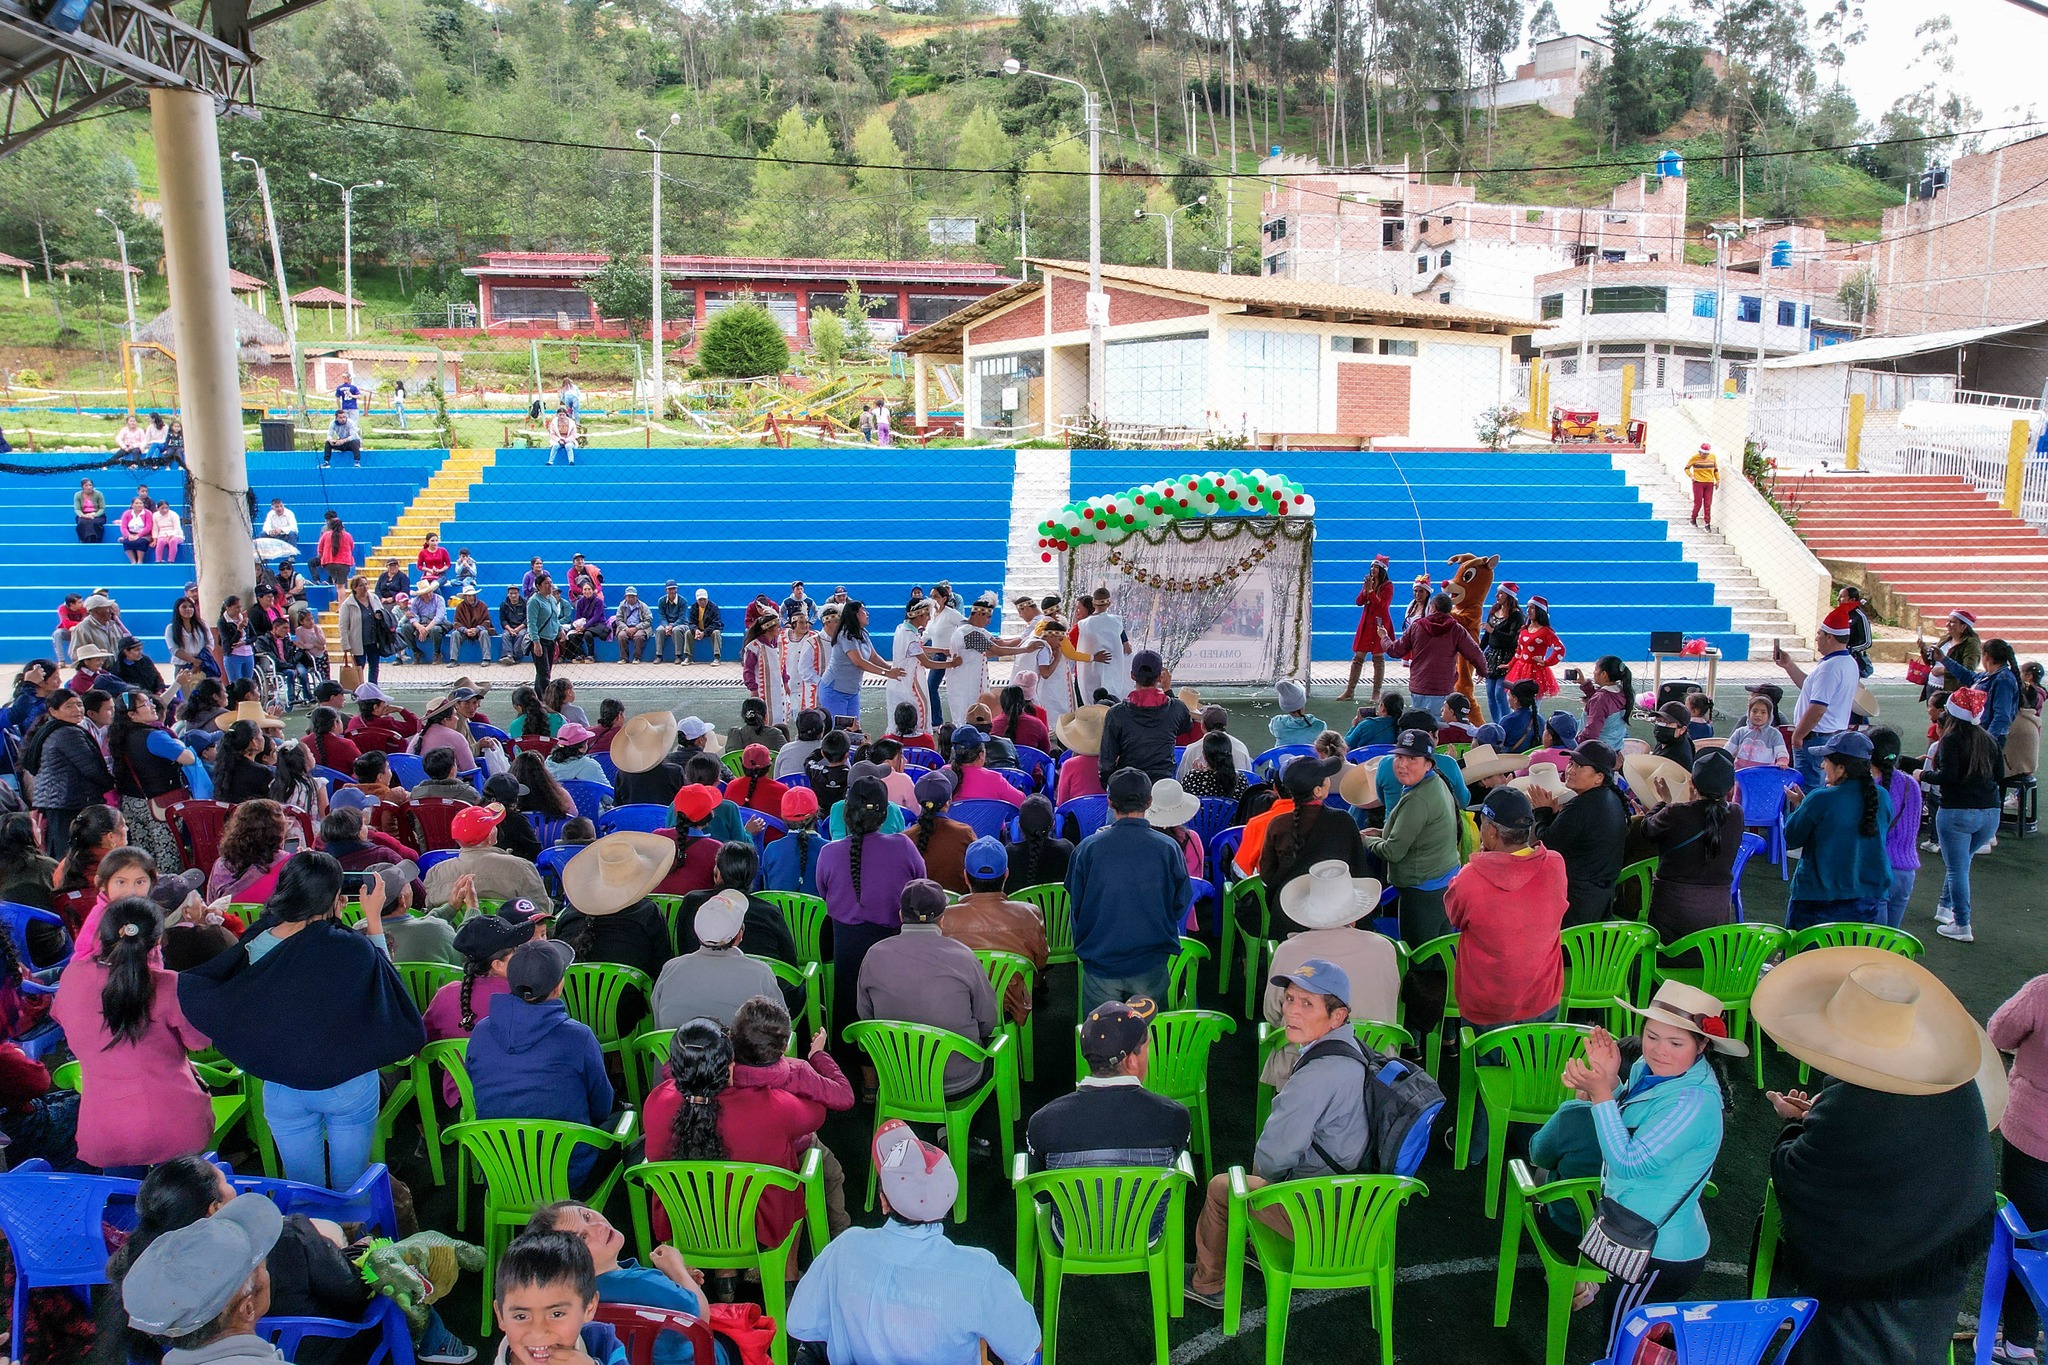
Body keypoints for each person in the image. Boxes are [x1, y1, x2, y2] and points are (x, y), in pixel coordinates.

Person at [1755, 946, 1999, 1365]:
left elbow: (1796, 1173)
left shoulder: (1850, 1106)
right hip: (1944, 1254)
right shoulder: (1954, 1085)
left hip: (1873, 1276)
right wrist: (1820, 1120)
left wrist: (1794, 1127)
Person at [177, 852, 424, 1189]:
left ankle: (314, 1238)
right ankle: (353, 1239)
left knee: (302, 1188)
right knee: (351, 1186)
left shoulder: (256, 940)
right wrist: (373, 920)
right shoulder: (350, 947)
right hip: (346, 1084)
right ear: (334, 896)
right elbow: (385, 992)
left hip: (281, 1087)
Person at [1528, 982, 1736, 1341]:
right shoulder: (1649, 1068)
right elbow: (1633, 1119)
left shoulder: (1693, 1102)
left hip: (1659, 1254)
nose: (1659, 1051)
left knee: (1621, 1344)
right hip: (1637, 1234)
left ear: (1702, 1045)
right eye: (1652, 1036)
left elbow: (1628, 1162)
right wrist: (1609, 1079)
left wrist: (1600, 1094)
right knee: (1629, 1340)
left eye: (1676, 1043)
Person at [1186, 959, 1369, 1308]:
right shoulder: (1354, 1049)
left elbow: (1274, 1157)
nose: (1291, 1012)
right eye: (1289, 999)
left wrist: (1259, 1195)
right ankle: (1258, 1244)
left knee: (1224, 1188)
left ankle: (1208, 1283)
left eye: (1306, 1004)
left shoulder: (1316, 1076)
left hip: (1319, 1214)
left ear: (1338, 1016)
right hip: (1358, 1202)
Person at [788, 1118, 1040, 1364]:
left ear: (884, 1203)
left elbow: (801, 1324)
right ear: (947, 1204)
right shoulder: (979, 1273)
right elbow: (1027, 1350)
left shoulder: (844, 1247)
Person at [51, 895, 214, 1169]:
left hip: (105, 1131)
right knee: (185, 1206)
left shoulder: (72, 976)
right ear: (158, 941)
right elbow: (199, 1041)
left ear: (101, 934)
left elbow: (62, 1018)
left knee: (120, 1203)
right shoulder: (169, 985)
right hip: (176, 1126)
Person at [468, 937, 615, 1190]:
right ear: (559, 987)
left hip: (498, 1171)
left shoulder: (480, 1032)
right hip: (568, 1174)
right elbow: (602, 1107)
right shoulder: (578, 1037)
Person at [1261, 865, 1401, 1087]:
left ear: (1307, 914)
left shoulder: (1288, 950)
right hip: (1376, 1064)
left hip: (1305, 1066)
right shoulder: (1385, 948)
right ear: (1355, 915)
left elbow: (1271, 1013)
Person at [523, 1201, 712, 1365]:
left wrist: (679, 1281)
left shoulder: (567, 1300)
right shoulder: (642, 1283)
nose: (599, 1226)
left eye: (587, 1216)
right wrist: (676, 1268)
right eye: (583, 1237)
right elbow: (701, 1318)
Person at [857, 878, 998, 1095]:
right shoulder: (963, 956)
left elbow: (866, 1018)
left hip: (896, 1077)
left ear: (901, 916)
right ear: (943, 919)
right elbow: (988, 1021)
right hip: (957, 1081)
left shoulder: (873, 955)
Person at [1446, 786, 1566, 1034]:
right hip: (1542, 997)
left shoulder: (1469, 878)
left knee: (1487, 1069)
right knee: (1535, 1067)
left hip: (1488, 1005)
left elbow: (1454, 916)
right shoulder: (1555, 864)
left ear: (1490, 832)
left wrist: (1480, 862)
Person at [1068, 768, 1189, 1013]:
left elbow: (1077, 904)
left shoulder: (1087, 849)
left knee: (1100, 1041)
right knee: (1149, 1039)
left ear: (1110, 802)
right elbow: (1180, 902)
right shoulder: (1168, 849)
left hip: (1100, 963)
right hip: (1150, 963)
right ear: (1150, 802)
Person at [817, 778, 923, 1030]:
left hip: (847, 949)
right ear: (884, 814)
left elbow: (824, 892)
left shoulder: (829, 853)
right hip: (894, 945)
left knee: (849, 1013)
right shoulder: (904, 847)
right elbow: (921, 885)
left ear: (846, 812)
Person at [1990, 971, 2048, 1365]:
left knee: (2025, 1240)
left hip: (2033, 1135)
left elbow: (1998, 1032)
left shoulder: (2043, 990)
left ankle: (2019, 1343)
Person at [1781, 731, 1893, 931]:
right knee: (1849, 960)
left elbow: (1792, 837)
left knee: (1803, 960)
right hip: (1866, 901)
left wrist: (1801, 807)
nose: (1823, 766)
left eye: (1826, 760)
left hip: (1816, 900)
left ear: (1841, 768)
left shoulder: (1820, 798)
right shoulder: (1882, 796)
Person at [1923, 687, 2004, 943]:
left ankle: (1962, 924)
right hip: (1990, 814)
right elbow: (2000, 776)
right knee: (1961, 863)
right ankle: (1944, 909)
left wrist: (1922, 775)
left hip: (1957, 812)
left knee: (1958, 869)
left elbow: (1948, 777)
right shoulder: (1988, 738)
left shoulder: (1951, 740)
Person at [1639, 750, 1747, 939]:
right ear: (1731, 789)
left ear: (1692, 784)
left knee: (1665, 957)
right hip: (1716, 915)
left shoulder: (1675, 813)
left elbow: (1647, 829)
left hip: (1671, 912)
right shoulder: (1737, 814)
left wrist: (1663, 802)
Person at [940, 838, 1049, 1023]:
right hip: (1010, 1007)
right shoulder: (1030, 914)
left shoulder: (944, 919)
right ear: (1006, 875)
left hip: (962, 1006)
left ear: (966, 877)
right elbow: (1040, 962)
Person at [1256, 756, 1368, 936]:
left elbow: (1267, 873)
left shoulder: (1277, 824)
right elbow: (1359, 870)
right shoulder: (1343, 821)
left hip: (1287, 915)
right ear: (1318, 790)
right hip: (1337, 915)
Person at [1527, 740, 1630, 927]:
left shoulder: (1581, 807)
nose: (1571, 770)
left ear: (1599, 777)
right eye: (1571, 763)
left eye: (1580, 766)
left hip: (1577, 905)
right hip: (1601, 898)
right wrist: (1554, 815)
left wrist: (1542, 811)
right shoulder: (1611, 798)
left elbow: (1547, 844)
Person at [491, 1232, 631, 1365]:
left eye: (556, 1314)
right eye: (521, 1316)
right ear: (501, 1315)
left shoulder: (603, 1342)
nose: (538, 1332)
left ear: (589, 1307)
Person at [554, 832, 676, 983]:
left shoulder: (570, 914)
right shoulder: (648, 913)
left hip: (570, 1001)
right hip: (629, 1001)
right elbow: (661, 967)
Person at [652, 891, 781, 1030]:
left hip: (672, 1051)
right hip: (737, 1052)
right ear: (739, 935)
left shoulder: (670, 969)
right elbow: (779, 1026)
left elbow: (658, 1022)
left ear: (698, 934)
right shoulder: (761, 974)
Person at [1776, 603, 1863, 790]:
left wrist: (1798, 735)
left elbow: (1818, 708)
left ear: (1829, 637)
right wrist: (1789, 666)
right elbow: (1813, 689)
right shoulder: (1848, 662)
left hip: (1815, 738)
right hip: (1829, 735)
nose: (1816, 639)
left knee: (1807, 790)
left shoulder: (1829, 668)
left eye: (1819, 634)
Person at [425, 803, 555, 911]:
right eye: (493, 826)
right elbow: (543, 911)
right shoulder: (520, 867)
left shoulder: (435, 873)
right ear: (490, 837)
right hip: (513, 940)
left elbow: (432, 915)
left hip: (456, 939)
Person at [30, 689, 114, 856]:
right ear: (53, 711)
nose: (77, 710)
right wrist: (111, 783)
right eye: (69, 706)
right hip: (67, 802)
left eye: (79, 704)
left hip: (59, 801)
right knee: (69, 854)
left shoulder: (57, 729)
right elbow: (90, 767)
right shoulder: (68, 733)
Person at [1387, 592, 1488, 717]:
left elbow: (1395, 650)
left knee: (1419, 723)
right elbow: (1475, 653)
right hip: (1443, 686)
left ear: (1432, 607)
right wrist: (1482, 670)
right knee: (1439, 724)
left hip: (1420, 684)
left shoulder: (1416, 627)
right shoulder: (1456, 629)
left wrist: (1384, 638)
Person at [1868, 727, 1925, 933]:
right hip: (1906, 873)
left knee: (1874, 944)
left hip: (1880, 871)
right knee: (1891, 942)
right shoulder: (1911, 784)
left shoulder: (1871, 789)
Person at [1342, 555, 1397, 702]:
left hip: (1379, 626)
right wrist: (1366, 590)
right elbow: (1359, 602)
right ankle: (1349, 691)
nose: (1373, 569)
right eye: (1372, 566)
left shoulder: (1388, 586)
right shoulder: (1369, 583)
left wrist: (1371, 592)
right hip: (1366, 625)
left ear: (1382, 570)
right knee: (1358, 658)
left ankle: (1376, 693)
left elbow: (1382, 607)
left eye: (1376, 567)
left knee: (1378, 659)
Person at [1506, 595, 1563, 703]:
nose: (1528, 610)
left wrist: (1547, 662)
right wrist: (1510, 665)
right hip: (1520, 670)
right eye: (1528, 607)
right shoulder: (1524, 629)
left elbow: (1560, 649)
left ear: (1540, 611)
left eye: (1532, 608)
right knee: (1515, 702)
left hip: (1536, 673)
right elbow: (1519, 651)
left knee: (1533, 705)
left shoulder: (1546, 632)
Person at [1577, 655, 1636, 750]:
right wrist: (1585, 684)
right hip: (1615, 746)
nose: (1593, 672)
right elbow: (1604, 704)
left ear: (1604, 674)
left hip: (1599, 751)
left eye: (1596, 669)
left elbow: (1592, 732)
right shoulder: (1623, 691)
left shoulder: (1601, 699)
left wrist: (1575, 744)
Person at [1728, 692, 1791, 768]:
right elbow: (1727, 750)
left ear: (1769, 716)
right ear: (1748, 713)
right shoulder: (1740, 732)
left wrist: (1782, 762)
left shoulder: (1774, 734)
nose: (1758, 715)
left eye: (1763, 712)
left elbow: (1781, 752)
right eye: (1754, 711)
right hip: (1740, 773)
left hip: (1764, 774)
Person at [528, 573, 565, 691]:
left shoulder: (552, 599)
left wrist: (560, 629)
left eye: (550, 583)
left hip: (551, 639)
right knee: (544, 673)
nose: (550, 586)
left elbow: (555, 618)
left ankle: (538, 697)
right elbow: (531, 623)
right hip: (541, 640)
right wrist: (536, 642)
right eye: (546, 583)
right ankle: (545, 699)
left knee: (545, 670)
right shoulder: (534, 601)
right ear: (538, 586)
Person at [1267, 678, 1324, 748]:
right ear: (1303, 701)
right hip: (1309, 758)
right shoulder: (1320, 725)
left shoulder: (1276, 722)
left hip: (1281, 758)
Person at [315, 514, 356, 589]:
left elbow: (320, 549)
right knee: (341, 586)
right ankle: (341, 599)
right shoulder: (347, 535)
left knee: (336, 582)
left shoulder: (325, 535)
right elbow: (352, 547)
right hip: (344, 563)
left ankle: (337, 595)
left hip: (328, 563)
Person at [1684, 440, 1718, 528]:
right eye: (1703, 453)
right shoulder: (1695, 457)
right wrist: (1691, 476)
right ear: (1699, 452)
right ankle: (1693, 518)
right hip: (1698, 482)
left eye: (1706, 454)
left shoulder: (1713, 457)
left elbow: (1715, 469)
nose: (1704, 455)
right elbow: (1686, 468)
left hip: (1709, 482)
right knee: (1698, 502)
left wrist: (1717, 480)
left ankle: (1707, 523)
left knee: (1708, 504)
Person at [688, 588, 724, 665]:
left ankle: (717, 657)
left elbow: (716, 623)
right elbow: (691, 622)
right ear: (697, 600)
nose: (702, 602)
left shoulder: (714, 607)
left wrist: (704, 632)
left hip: (710, 629)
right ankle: (688, 657)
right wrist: (695, 630)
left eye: (704, 599)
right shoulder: (694, 607)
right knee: (688, 632)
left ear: (707, 599)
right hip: (699, 629)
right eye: (700, 600)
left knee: (716, 633)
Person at [74, 478, 107, 543]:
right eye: (86, 485)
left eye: (90, 485)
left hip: (97, 515)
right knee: (82, 522)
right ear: (82, 487)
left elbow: (102, 508)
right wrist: (83, 515)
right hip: (84, 515)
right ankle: (84, 540)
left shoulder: (99, 494)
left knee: (95, 522)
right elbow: (77, 509)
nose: (88, 487)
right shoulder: (77, 495)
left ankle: (96, 540)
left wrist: (94, 515)